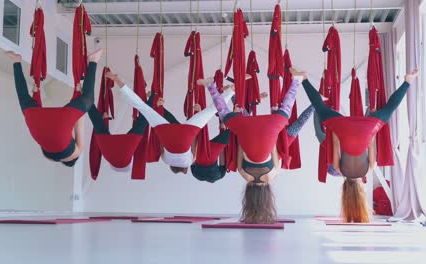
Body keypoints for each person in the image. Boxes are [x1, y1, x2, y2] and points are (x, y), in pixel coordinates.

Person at [292, 67, 419, 223]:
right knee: (321, 108)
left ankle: (407, 81)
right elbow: (336, 142)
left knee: (389, 109)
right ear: (345, 190)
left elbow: (371, 143)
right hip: (343, 128)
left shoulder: (368, 169)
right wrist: (340, 125)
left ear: (361, 190)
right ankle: (304, 79)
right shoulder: (340, 170)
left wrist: (370, 121)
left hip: (367, 128)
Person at [204, 76, 303, 224]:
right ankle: (211, 86)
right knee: (225, 114)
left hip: (271, 126)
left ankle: (297, 80)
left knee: (286, 110)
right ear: (248, 197)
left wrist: (272, 125)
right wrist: (246, 128)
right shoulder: (244, 174)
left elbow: (273, 147)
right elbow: (241, 146)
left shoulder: (273, 174)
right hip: (246, 130)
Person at [106, 72, 234, 173]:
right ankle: (117, 80)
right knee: (141, 106)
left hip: (187, 133)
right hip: (165, 132)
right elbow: (161, 144)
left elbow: (195, 143)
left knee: (212, 110)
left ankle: (232, 89)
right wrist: (160, 126)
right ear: (171, 167)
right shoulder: (166, 160)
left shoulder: (189, 162)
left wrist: (196, 120)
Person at [6, 49, 102, 167]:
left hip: (61, 122)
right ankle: (16, 62)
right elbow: (45, 132)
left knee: (89, 99)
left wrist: (79, 98)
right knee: (23, 98)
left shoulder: (76, 153)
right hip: (36, 119)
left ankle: (93, 61)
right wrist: (36, 96)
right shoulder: (47, 156)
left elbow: (78, 124)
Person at [87, 99, 149, 171]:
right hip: (108, 148)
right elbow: (99, 125)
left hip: (127, 148)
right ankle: (84, 95)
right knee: (96, 121)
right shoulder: (109, 157)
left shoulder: (126, 158)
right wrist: (103, 122)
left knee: (142, 121)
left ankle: (153, 95)